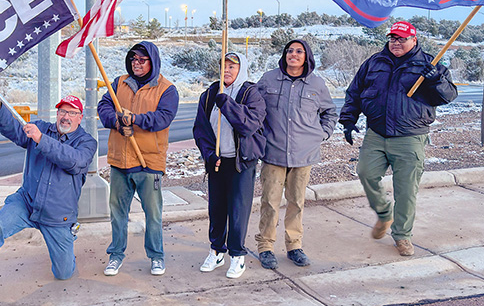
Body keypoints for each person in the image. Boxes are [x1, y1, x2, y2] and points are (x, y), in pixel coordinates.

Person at [0, 86, 97, 306]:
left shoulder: (87, 143)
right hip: (26, 203)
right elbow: (14, 130)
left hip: (58, 217)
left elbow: (74, 162)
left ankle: (67, 241)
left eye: (72, 112)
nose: (66, 117)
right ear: (57, 114)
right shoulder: (41, 128)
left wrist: (41, 140)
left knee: (64, 273)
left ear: (80, 117)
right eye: (62, 112)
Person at [339, 21, 457, 257]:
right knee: (365, 173)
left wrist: (435, 79)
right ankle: (384, 214)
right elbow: (355, 92)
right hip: (376, 133)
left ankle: (402, 236)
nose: (396, 42)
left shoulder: (430, 63)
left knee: (405, 191)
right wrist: (348, 120)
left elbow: (449, 96)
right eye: (393, 38)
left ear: (414, 40)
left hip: (410, 137)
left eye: (402, 38)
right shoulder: (374, 62)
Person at [98, 41, 179, 277]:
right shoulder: (119, 83)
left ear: (152, 61)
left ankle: (156, 256)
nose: (136, 64)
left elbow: (162, 118)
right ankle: (116, 255)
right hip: (119, 162)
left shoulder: (167, 89)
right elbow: (104, 106)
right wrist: (116, 121)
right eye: (133, 60)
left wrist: (134, 120)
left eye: (142, 60)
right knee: (118, 213)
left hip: (148, 163)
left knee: (153, 214)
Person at [255, 38, 337, 269]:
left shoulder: (317, 84)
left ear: (306, 56)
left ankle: (294, 246)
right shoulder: (269, 79)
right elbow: (255, 108)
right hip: (273, 152)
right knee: (270, 202)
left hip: (304, 154)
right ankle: (266, 247)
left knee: (297, 202)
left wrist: (322, 135)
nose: (293, 54)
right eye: (289, 50)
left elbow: (330, 112)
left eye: (299, 51)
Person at [192, 52, 266, 279]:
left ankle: (237, 256)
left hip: (240, 163)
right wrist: (208, 155)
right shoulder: (210, 94)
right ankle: (216, 251)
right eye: (223, 66)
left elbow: (250, 124)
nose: (226, 70)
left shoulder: (251, 93)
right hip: (217, 162)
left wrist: (229, 105)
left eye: (232, 67)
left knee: (237, 210)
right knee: (216, 209)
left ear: (240, 69)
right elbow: (200, 129)